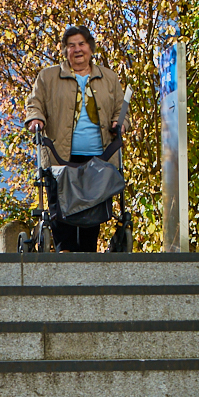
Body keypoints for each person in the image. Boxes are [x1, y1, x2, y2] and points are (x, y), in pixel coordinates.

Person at [24, 25, 129, 252]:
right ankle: (65, 250)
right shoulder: (48, 76)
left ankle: (89, 253)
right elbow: (35, 104)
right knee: (61, 205)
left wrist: (119, 124)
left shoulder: (108, 77)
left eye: (81, 44)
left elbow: (121, 109)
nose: (77, 50)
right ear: (65, 51)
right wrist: (36, 119)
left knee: (93, 205)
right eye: (71, 45)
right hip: (60, 154)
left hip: (99, 154)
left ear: (90, 48)